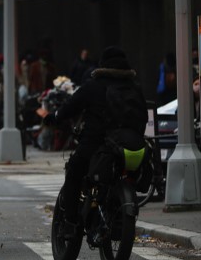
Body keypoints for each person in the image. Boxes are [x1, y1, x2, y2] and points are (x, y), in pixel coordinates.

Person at [45, 46, 148, 228]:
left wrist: (53, 117)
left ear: (102, 65)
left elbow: (70, 107)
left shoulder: (93, 86)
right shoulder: (135, 87)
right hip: (129, 144)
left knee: (74, 174)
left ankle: (69, 223)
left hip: (96, 145)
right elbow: (143, 117)